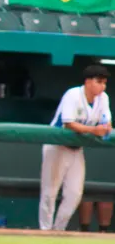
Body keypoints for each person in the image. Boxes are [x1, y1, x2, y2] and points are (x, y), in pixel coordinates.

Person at [39, 65, 111, 232]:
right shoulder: (73, 94)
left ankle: (58, 230)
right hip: (56, 145)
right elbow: (69, 123)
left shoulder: (103, 98)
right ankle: (44, 230)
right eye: (99, 82)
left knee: (74, 194)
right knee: (50, 192)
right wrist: (95, 130)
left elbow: (106, 121)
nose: (102, 86)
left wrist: (105, 126)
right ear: (87, 82)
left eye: (104, 83)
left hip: (76, 149)